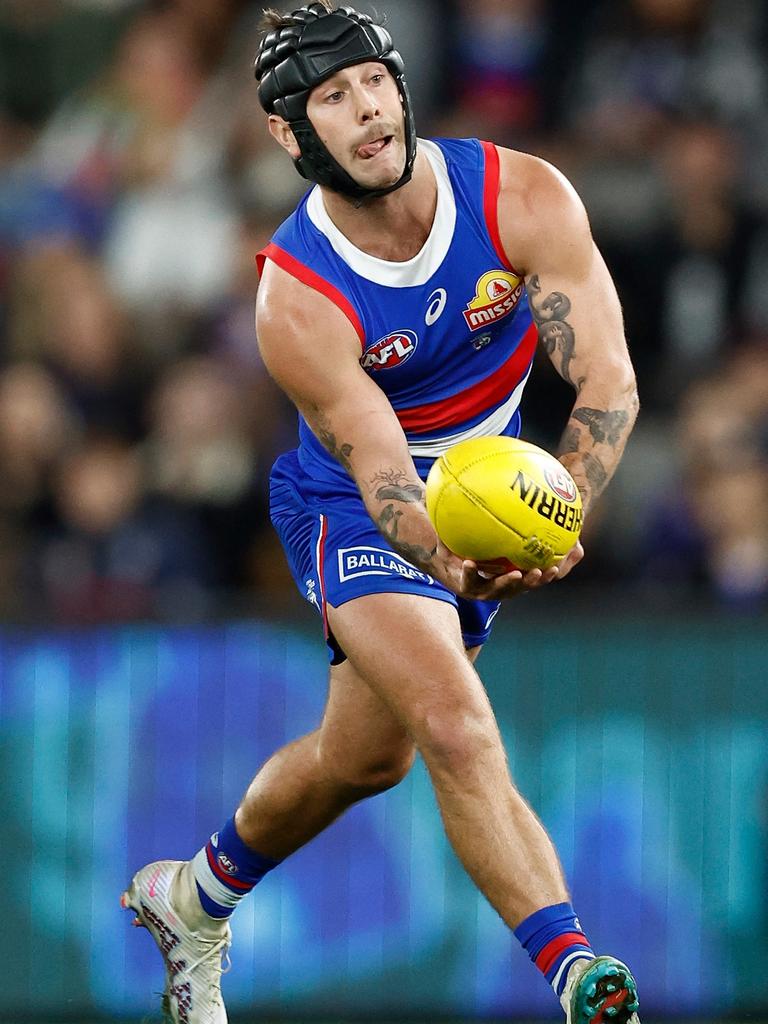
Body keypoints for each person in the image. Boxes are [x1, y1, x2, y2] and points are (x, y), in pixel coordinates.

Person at [121, 4, 641, 1023]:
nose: (367, 112)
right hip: (363, 508)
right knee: (452, 721)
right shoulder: (297, 297)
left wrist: (562, 508)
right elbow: (384, 474)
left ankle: (191, 898)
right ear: (289, 134)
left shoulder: (522, 194)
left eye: (374, 82)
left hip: (494, 490)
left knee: (366, 757)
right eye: (331, 98)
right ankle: (580, 971)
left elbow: (609, 376)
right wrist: (456, 564)